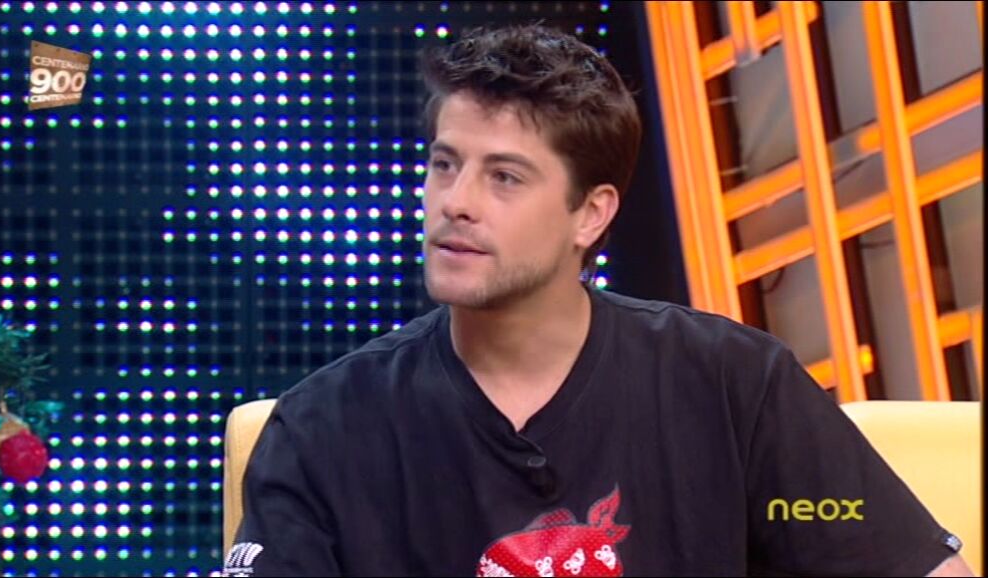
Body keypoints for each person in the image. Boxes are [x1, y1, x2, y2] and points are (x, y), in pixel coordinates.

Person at [224, 24, 973, 577]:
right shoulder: (323, 429)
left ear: (591, 214)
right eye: (445, 165)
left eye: (504, 177)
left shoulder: (734, 384)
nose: (455, 202)